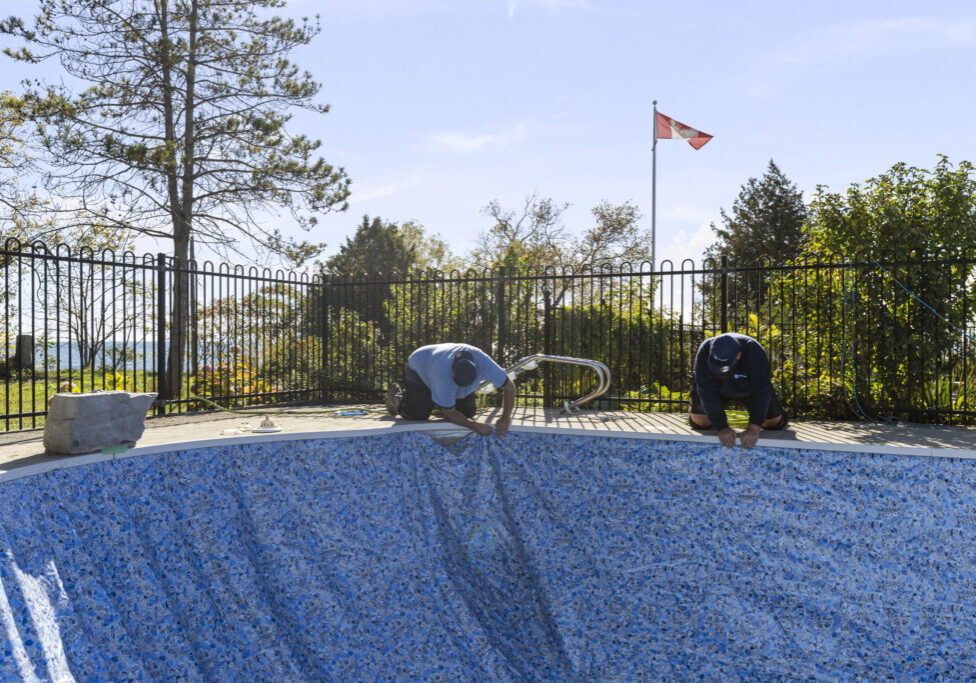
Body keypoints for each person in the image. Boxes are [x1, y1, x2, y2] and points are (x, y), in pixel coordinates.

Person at [385, 343, 516, 436]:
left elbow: (509, 386)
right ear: (452, 373)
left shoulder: (484, 362)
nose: (462, 387)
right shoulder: (441, 373)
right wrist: (474, 426)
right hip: (419, 366)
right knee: (417, 415)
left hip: (436, 365)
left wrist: (505, 417)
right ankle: (395, 398)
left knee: (467, 413)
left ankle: (439, 401)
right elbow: (449, 413)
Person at [689, 332, 788, 448]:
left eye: (724, 366)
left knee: (774, 424)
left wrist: (754, 428)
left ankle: (779, 416)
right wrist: (722, 427)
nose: (721, 371)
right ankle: (693, 411)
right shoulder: (705, 349)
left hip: (748, 390)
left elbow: (761, 391)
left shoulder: (754, 351)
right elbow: (706, 392)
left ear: (738, 355)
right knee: (700, 422)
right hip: (718, 389)